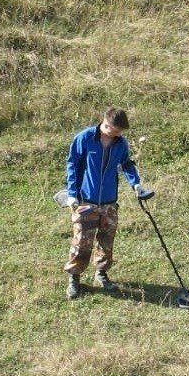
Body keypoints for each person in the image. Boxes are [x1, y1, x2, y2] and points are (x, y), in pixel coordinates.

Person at [62, 107, 153, 299]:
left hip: (110, 202)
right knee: (82, 241)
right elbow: (72, 164)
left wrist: (136, 184)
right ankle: (74, 279)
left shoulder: (121, 143)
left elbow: (126, 164)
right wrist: (72, 194)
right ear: (105, 122)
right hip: (85, 201)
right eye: (114, 130)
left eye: (119, 131)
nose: (117, 134)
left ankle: (101, 274)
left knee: (106, 240)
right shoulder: (84, 138)